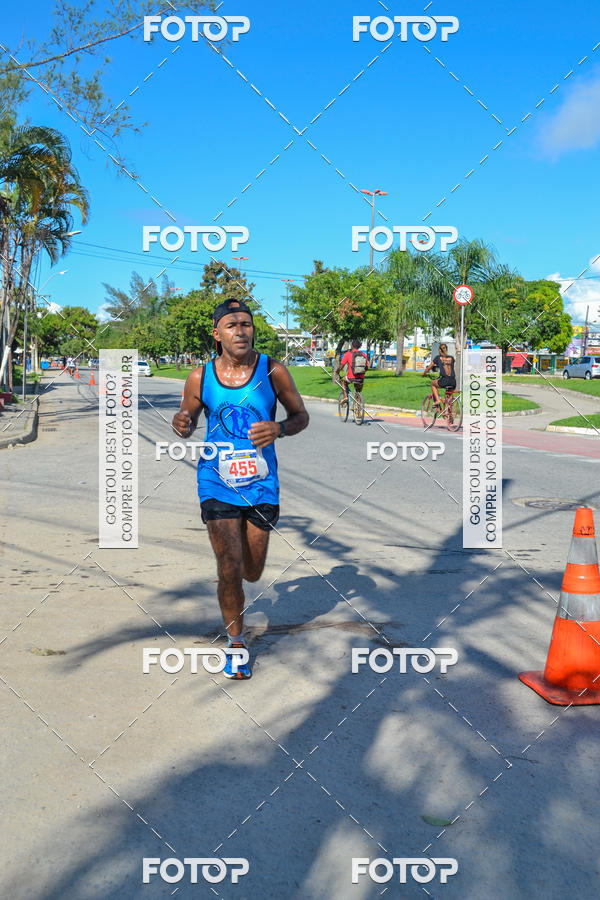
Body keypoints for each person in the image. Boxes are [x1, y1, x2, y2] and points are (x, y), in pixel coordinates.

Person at [171, 298, 309, 680]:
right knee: (229, 567)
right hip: (216, 480)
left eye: (246, 324)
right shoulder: (200, 377)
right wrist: (181, 423)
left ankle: (242, 589)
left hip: (261, 484)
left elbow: (301, 416)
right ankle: (235, 643)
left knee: (252, 569)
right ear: (217, 334)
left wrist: (279, 428)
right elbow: (186, 419)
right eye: (232, 325)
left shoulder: (273, 371)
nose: (241, 331)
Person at [422, 343, 456, 408]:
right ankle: (449, 413)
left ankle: (437, 400)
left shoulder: (438, 357)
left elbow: (429, 368)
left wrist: (424, 373)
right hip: (453, 381)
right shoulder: (451, 358)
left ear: (440, 350)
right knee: (448, 400)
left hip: (444, 380)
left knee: (432, 383)